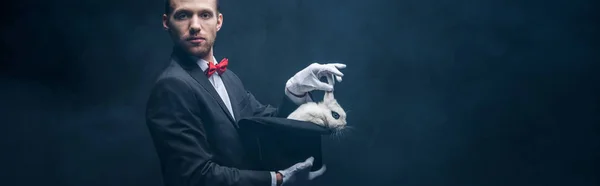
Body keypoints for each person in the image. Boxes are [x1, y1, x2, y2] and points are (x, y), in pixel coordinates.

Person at [145, 0, 346, 186]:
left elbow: (265, 125)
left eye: (205, 15)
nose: (195, 25)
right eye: (183, 15)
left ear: (219, 21)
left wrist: (294, 92)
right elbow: (194, 176)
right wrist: (276, 179)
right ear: (166, 23)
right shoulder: (171, 86)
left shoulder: (229, 78)